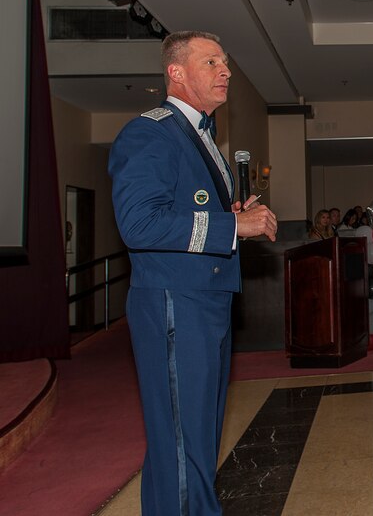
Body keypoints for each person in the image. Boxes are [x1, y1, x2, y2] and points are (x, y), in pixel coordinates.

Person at [108, 30, 278, 516]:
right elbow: (139, 222)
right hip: (175, 302)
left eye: (225, 63)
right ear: (176, 73)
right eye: (211, 63)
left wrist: (234, 214)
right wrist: (231, 223)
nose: (225, 72)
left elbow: (185, 211)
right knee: (183, 442)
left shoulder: (203, 139)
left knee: (192, 439)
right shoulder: (151, 131)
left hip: (206, 300)